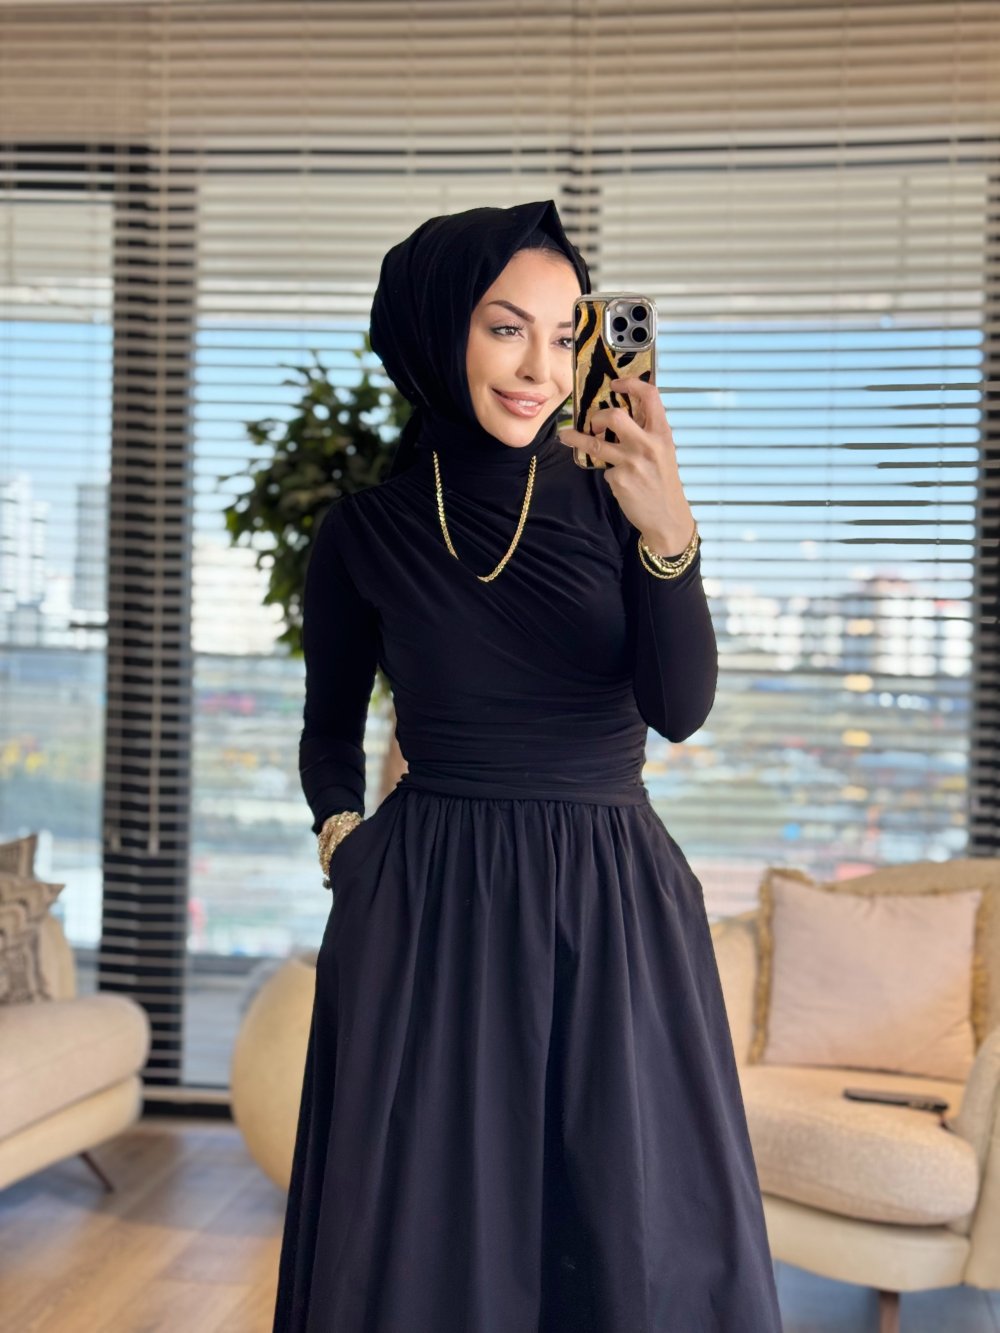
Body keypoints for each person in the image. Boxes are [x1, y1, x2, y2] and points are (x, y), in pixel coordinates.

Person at [272, 198, 783, 1333]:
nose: (540, 369)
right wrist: (345, 841)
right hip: (427, 906)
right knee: (427, 1238)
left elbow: (681, 710)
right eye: (506, 328)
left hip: (610, 903)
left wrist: (670, 533)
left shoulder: (620, 499)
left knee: (633, 1234)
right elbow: (328, 726)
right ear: (439, 328)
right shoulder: (364, 531)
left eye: (564, 335)